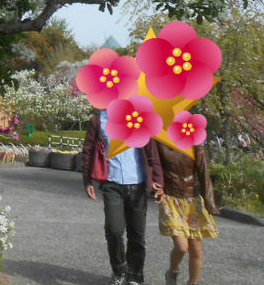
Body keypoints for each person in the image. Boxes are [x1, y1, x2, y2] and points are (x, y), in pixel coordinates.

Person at [83, 110, 165, 285]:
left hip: (137, 185)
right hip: (112, 185)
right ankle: (119, 269)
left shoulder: (140, 118)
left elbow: (152, 154)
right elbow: (88, 151)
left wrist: (158, 182)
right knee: (114, 229)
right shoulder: (99, 120)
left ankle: (135, 274)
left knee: (137, 234)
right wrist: (87, 180)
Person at [154, 140, 219, 285]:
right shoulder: (160, 141)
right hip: (170, 199)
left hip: (192, 200)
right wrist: (155, 185)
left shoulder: (194, 142)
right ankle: (173, 271)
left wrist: (210, 203)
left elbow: (203, 171)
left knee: (196, 250)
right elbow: (154, 166)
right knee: (182, 246)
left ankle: (193, 282)